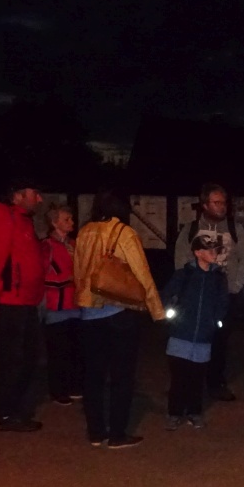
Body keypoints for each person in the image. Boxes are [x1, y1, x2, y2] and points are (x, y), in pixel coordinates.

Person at [74, 190, 165, 449]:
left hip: (89, 313)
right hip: (119, 312)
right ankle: (117, 433)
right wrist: (157, 311)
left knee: (93, 374)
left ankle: (95, 431)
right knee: (121, 375)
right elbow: (142, 274)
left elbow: (78, 271)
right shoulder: (124, 233)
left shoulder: (84, 231)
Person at [0, 177, 45, 432]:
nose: (39, 199)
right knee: (13, 359)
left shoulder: (21, 218)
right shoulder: (2, 216)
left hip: (23, 301)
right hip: (10, 303)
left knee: (23, 358)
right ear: (17, 195)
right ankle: (8, 413)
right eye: (34, 193)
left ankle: (9, 406)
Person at [173, 183, 244, 401]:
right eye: (216, 202)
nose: (222, 206)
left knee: (220, 341)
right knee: (192, 339)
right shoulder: (190, 229)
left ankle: (216, 383)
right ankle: (189, 385)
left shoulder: (236, 229)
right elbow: (180, 260)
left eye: (224, 202)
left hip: (224, 296)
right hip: (196, 296)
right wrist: (184, 289)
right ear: (205, 204)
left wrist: (235, 287)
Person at [161, 235, 228, 430]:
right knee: (178, 377)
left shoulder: (219, 278)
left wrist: (215, 321)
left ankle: (194, 412)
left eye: (215, 250)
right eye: (209, 250)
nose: (214, 253)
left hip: (204, 336)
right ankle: (174, 413)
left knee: (197, 378)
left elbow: (223, 303)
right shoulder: (184, 274)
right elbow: (166, 295)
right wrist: (171, 317)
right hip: (180, 334)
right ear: (197, 253)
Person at [40, 204, 83, 406]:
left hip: (74, 304)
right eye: (66, 219)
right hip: (56, 305)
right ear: (54, 222)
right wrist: (67, 278)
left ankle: (73, 386)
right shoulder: (46, 246)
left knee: (75, 349)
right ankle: (58, 390)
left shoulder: (73, 244)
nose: (71, 222)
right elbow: (42, 275)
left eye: (71, 219)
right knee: (58, 351)